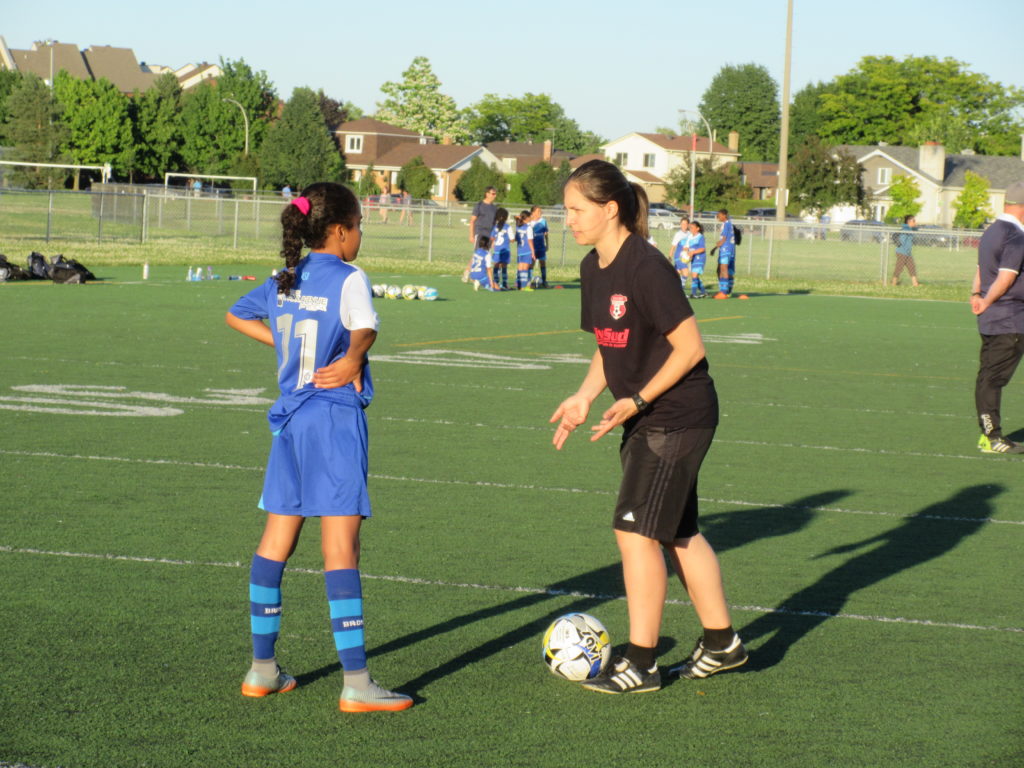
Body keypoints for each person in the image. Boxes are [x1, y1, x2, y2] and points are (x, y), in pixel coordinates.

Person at [550, 159, 746, 695]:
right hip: (648, 414)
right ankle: (724, 643)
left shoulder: (646, 266)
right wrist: (585, 396)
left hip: (676, 414)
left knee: (635, 532)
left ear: (609, 209)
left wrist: (636, 399)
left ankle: (641, 663)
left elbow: (691, 348)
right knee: (678, 532)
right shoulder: (595, 267)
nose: (567, 219)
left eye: (576, 209)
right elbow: (608, 343)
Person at [225, 182, 413, 713]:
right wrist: (353, 359)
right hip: (331, 420)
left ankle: (262, 670)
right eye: (359, 226)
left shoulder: (287, 276)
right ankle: (356, 683)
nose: (361, 236)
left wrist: (283, 343)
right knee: (341, 550)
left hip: (289, 421)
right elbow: (365, 329)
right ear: (339, 230)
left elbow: (237, 316)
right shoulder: (350, 276)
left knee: (274, 541)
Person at [971, 180, 1024, 455]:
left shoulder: (992, 230)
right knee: (993, 379)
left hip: (993, 319)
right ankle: (993, 438)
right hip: (1010, 319)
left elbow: (981, 267)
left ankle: (987, 435)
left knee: (987, 377)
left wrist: (976, 294)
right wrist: (987, 299)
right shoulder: (1016, 235)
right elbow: (1006, 277)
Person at [710, 209, 735, 298]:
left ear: (724, 215)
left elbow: (723, 239)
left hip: (726, 248)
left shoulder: (726, 224)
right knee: (721, 269)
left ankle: (724, 292)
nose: (718, 217)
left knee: (723, 268)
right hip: (729, 249)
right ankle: (727, 291)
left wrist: (714, 248)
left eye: (719, 215)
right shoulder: (728, 223)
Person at [892, 215, 920, 287]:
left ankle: (915, 284)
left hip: (908, 253)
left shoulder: (910, 229)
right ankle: (893, 283)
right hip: (902, 252)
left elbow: (917, 229)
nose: (915, 222)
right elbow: (902, 240)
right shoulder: (906, 229)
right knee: (899, 268)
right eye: (914, 221)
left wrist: (916, 226)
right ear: (909, 222)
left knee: (912, 267)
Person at [491, 207, 513, 290]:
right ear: (506, 217)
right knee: (504, 267)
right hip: (505, 250)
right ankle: (504, 283)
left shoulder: (495, 227)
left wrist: (494, 243)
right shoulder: (508, 227)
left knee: (496, 266)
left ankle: (496, 283)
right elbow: (512, 239)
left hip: (497, 250)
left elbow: (492, 238)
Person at [515, 210, 536, 290]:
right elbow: (530, 241)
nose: (531, 218)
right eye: (530, 216)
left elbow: (517, 238)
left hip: (520, 250)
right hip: (527, 250)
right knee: (525, 268)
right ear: (526, 218)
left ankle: (519, 285)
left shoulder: (518, 226)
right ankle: (524, 286)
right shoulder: (528, 227)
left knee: (520, 267)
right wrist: (533, 252)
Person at [687, 220, 708, 299]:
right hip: (694, 259)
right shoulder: (690, 238)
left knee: (694, 275)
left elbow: (702, 249)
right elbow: (689, 248)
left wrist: (693, 252)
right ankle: (704, 292)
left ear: (697, 228)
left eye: (692, 228)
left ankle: (693, 293)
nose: (691, 229)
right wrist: (687, 254)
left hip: (700, 258)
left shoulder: (700, 237)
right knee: (695, 276)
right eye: (690, 228)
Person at [669, 216, 691, 291]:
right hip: (679, 256)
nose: (684, 225)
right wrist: (670, 257)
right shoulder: (678, 234)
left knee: (676, 274)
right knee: (686, 272)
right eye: (682, 224)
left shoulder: (689, 234)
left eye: (685, 224)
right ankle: (682, 290)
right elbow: (673, 246)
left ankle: (671, 288)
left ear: (688, 225)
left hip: (685, 257)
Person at [530, 205, 550, 288]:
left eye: (540, 211)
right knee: (531, 263)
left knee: (543, 263)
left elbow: (546, 234)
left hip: (541, 246)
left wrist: (547, 244)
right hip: (533, 247)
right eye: (538, 211)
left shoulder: (543, 221)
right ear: (533, 213)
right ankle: (529, 282)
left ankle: (544, 281)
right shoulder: (529, 222)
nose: (540, 213)